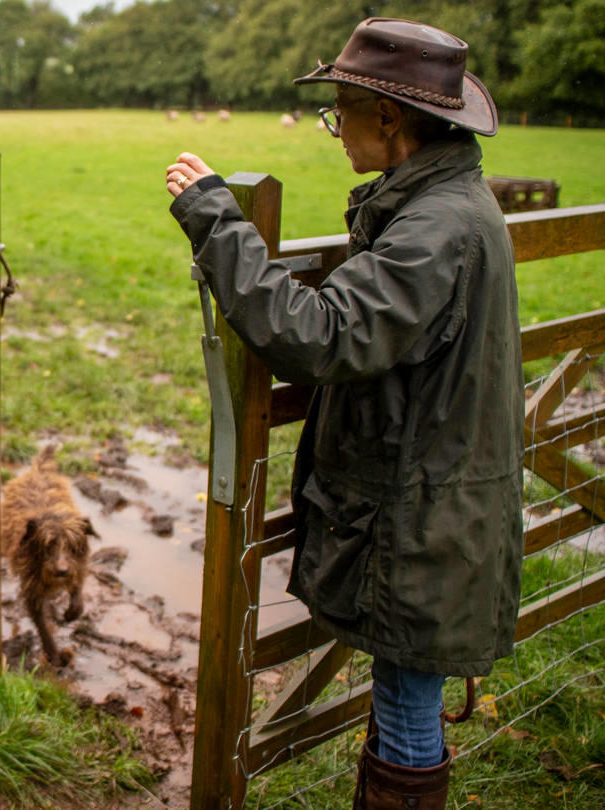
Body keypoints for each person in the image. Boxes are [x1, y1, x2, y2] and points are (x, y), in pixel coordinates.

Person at [164, 18, 523, 809]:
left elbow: (320, 336)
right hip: (443, 502)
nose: (335, 129)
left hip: (428, 519)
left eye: (341, 111)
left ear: (390, 119)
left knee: (405, 710)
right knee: (405, 701)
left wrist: (217, 221)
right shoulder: (448, 206)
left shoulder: (437, 230)